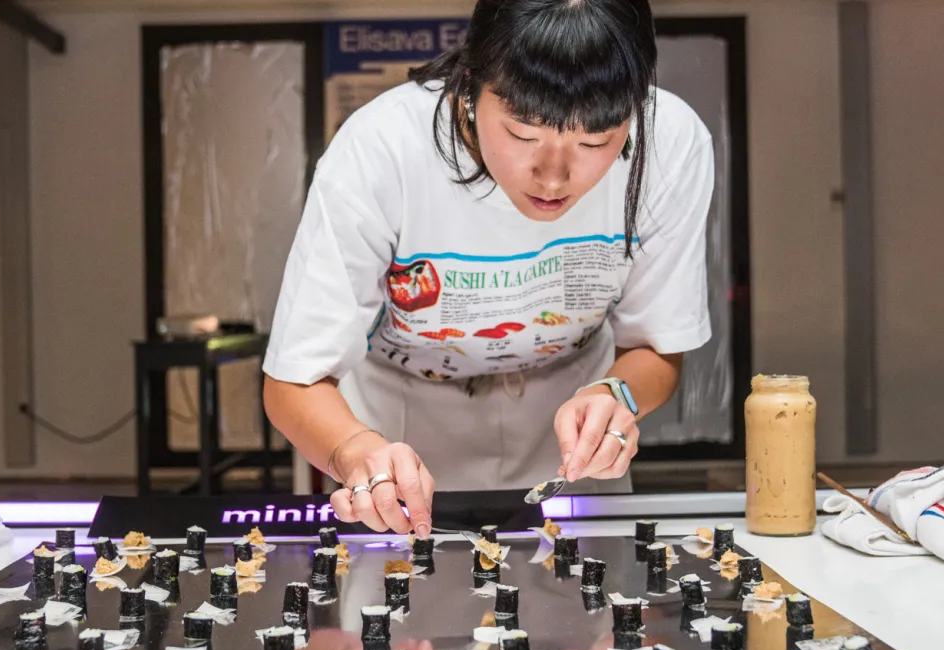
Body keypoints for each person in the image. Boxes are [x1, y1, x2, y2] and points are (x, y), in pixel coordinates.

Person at [263, 0, 714, 537]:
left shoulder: (673, 143)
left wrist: (613, 394)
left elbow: (657, 346)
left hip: (571, 428)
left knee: (586, 608)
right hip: (402, 427)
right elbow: (294, 380)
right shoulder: (381, 147)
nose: (553, 178)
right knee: (399, 615)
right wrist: (353, 449)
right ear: (470, 82)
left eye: (596, 143)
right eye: (523, 136)